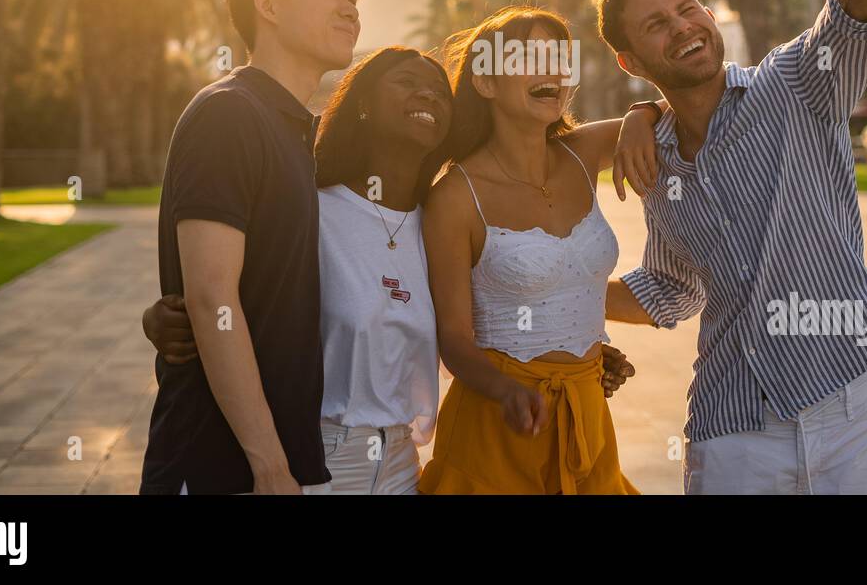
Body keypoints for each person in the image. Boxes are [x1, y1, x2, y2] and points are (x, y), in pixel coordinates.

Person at [142, 45, 640, 493]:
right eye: (405, 81)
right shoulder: (311, 208)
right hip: (316, 457)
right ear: (361, 102)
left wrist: (583, 355)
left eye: (439, 92)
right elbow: (230, 291)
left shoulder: (442, 218)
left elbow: (497, 306)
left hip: (403, 460)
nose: (427, 94)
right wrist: (163, 319)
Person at [602, 0, 867, 495]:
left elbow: (858, 8)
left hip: (849, 407)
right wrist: (561, 294)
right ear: (629, 61)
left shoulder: (797, 83)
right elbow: (671, 288)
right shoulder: (655, 164)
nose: (682, 26)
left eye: (687, 9)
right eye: (656, 25)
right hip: (732, 422)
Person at [138, 0, 375, 495]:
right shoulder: (230, 115)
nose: (350, 8)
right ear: (267, 4)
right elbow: (211, 296)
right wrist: (267, 463)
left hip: (275, 461)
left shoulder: (290, 128)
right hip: (220, 462)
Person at [417, 6, 655, 494]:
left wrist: (642, 112)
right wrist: (505, 389)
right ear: (485, 82)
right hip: (495, 429)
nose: (554, 70)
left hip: (588, 420)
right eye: (531, 56)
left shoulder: (584, 152)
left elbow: (685, 109)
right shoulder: (455, 197)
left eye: (560, 56)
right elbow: (455, 339)